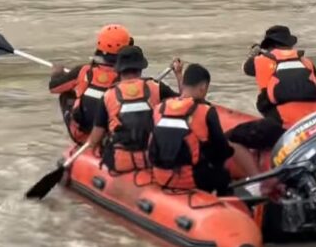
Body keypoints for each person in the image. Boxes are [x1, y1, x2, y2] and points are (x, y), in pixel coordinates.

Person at [150, 64, 260, 195]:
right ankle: (227, 206)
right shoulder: (205, 112)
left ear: (183, 84)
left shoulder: (160, 108)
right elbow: (222, 150)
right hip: (189, 180)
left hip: (160, 176)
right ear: (203, 88)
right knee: (222, 174)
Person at [86, 45, 182, 174]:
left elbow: (94, 140)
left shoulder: (108, 95)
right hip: (151, 159)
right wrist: (179, 74)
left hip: (121, 162)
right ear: (141, 68)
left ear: (119, 70)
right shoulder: (156, 87)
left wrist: (87, 147)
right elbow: (185, 103)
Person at [228, 25, 316, 150]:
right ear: (289, 44)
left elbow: (245, 68)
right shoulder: (306, 62)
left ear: (268, 45)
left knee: (230, 138)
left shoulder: (260, 60)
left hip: (282, 128)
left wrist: (254, 54)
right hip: (315, 125)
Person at [49, 24, 134, 144]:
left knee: (66, 93)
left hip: (81, 135)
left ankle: (83, 138)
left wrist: (57, 73)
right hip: (113, 135)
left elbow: (54, 87)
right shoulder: (128, 75)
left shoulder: (83, 71)